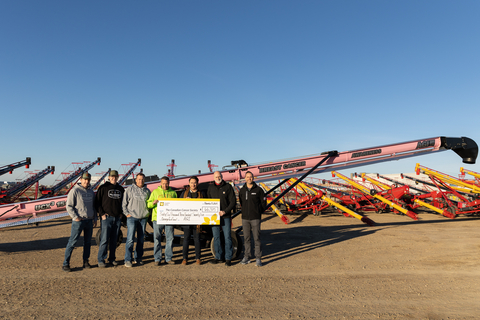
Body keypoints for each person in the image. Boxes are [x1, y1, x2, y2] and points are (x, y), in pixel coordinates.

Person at [62, 172, 97, 272]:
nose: (86, 181)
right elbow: (69, 206)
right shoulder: (75, 191)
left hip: (89, 220)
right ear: (80, 180)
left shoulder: (91, 192)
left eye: (88, 179)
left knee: (88, 242)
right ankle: (66, 263)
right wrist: (75, 217)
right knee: (72, 242)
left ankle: (85, 261)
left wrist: (95, 218)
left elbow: (93, 206)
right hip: (79, 221)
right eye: (85, 179)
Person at [96, 170, 125, 268]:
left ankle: (112, 259)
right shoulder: (103, 187)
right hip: (106, 218)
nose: (114, 178)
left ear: (118, 177)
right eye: (112, 176)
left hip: (117, 218)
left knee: (114, 240)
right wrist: (102, 214)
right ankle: (101, 259)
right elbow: (97, 202)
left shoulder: (121, 189)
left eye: (115, 176)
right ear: (109, 177)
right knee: (104, 239)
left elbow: (124, 203)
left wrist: (121, 214)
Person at [122, 172, 151, 267]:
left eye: (142, 179)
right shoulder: (129, 190)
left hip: (143, 218)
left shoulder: (147, 191)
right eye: (139, 179)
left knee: (141, 239)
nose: (141, 181)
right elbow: (124, 204)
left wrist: (147, 213)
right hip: (132, 217)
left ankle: (138, 258)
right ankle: (128, 259)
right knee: (130, 239)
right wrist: (127, 214)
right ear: (135, 180)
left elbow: (149, 204)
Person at [147, 176, 177, 265]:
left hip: (169, 219)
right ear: (160, 183)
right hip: (157, 219)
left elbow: (177, 205)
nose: (165, 185)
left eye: (166, 183)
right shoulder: (155, 192)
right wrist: (153, 203)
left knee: (170, 238)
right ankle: (157, 258)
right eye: (163, 183)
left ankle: (168, 258)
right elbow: (148, 204)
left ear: (169, 183)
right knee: (157, 239)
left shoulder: (173, 193)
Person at [207, 171, 236, 266]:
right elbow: (207, 202)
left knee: (227, 237)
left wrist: (225, 211)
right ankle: (218, 257)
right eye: (216, 176)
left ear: (222, 176)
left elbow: (233, 202)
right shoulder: (210, 188)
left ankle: (228, 258)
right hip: (214, 217)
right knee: (216, 237)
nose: (218, 177)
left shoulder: (228, 187)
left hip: (225, 217)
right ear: (213, 177)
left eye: (219, 176)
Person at [239, 171, 266, 267]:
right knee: (246, 238)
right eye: (247, 177)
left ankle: (258, 258)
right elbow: (241, 202)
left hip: (255, 218)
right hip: (245, 218)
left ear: (253, 178)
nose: (249, 178)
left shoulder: (259, 190)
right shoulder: (242, 190)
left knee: (257, 238)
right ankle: (247, 257)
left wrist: (258, 212)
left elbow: (263, 204)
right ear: (245, 178)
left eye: (250, 177)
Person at [180, 176, 204, 265]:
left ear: (197, 183)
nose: (193, 184)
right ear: (189, 183)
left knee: (197, 239)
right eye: (192, 182)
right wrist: (184, 201)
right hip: (187, 221)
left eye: (195, 183)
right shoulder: (184, 193)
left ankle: (198, 258)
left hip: (197, 220)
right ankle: (184, 258)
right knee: (186, 239)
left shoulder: (201, 194)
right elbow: (178, 205)